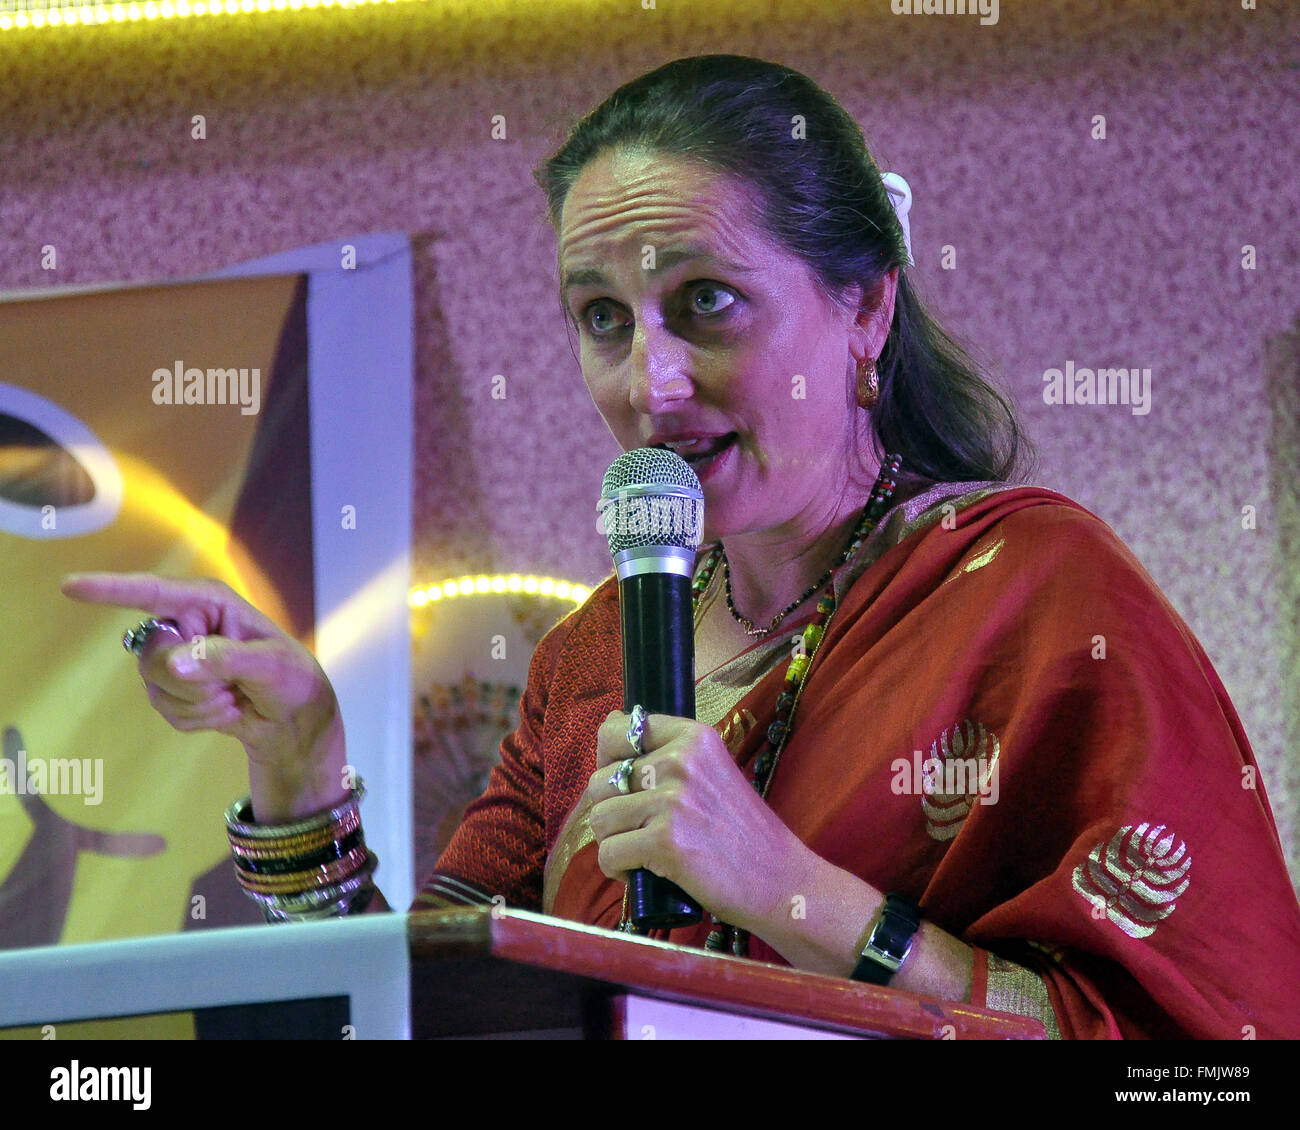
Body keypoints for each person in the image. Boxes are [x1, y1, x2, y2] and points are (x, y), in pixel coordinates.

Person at [64, 54, 1300, 1039]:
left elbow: (1189, 1049)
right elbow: (430, 1015)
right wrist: (301, 762)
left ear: (865, 305)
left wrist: (789, 889)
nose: (648, 386)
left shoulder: (1035, 593)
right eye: (602, 318)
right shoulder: (590, 655)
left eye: (705, 301)